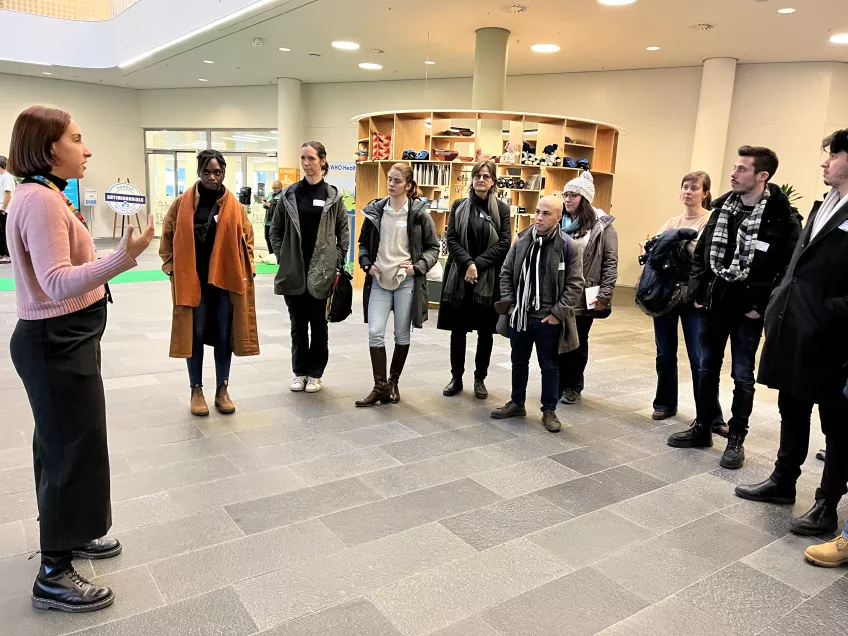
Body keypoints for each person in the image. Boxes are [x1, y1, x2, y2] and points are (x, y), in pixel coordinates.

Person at [6, 105, 154, 612]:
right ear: (49, 149)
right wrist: (124, 257)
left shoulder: (42, 195)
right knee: (68, 450)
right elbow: (55, 282)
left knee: (72, 444)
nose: (86, 148)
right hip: (55, 341)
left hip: (62, 339)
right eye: (76, 138)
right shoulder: (41, 200)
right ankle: (53, 572)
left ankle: (73, 534)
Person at [736, 130, 848, 542]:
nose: (825, 162)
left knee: (838, 423)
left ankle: (827, 504)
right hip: (794, 327)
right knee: (792, 406)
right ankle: (783, 482)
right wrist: (779, 301)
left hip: (834, 337)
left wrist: (826, 314)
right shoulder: (825, 206)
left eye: (833, 154)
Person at [667, 146, 801, 470]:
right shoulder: (723, 209)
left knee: (742, 376)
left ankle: (736, 436)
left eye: (742, 169)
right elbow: (701, 255)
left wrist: (761, 304)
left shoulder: (782, 219)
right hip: (714, 306)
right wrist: (699, 292)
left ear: (762, 176)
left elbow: (790, 269)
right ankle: (703, 426)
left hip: (749, 313)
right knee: (705, 369)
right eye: (735, 167)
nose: (734, 173)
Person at [160, 149, 259, 416]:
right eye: (207, 172)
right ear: (199, 172)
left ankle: (222, 389)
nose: (212, 177)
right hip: (193, 282)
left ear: (224, 173)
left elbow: (247, 238)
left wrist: (244, 267)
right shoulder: (182, 204)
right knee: (195, 334)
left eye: (217, 172)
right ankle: (196, 389)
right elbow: (167, 237)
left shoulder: (234, 207)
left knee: (224, 335)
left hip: (224, 283)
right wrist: (171, 268)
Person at [492, 195, 584, 433]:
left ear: (558, 218)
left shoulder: (568, 246)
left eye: (546, 214)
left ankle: (549, 409)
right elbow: (506, 273)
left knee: (549, 366)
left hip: (547, 319)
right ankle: (517, 402)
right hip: (520, 316)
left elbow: (575, 284)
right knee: (518, 362)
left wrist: (557, 314)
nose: (539, 218)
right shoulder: (522, 240)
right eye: (537, 212)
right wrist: (511, 304)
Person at [648, 171, 726, 433]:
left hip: (694, 297)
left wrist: (675, 243)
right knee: (665, 353)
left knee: (699, 357)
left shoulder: (710, 220)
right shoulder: (672, 220)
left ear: (705, 193)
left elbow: (701, 255)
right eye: (685, 187)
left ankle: (710, 416)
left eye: (694, 188)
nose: (688, 191)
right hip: (666, 294)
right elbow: (652, 249)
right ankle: (664, 403)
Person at [356, 162, 439, 407]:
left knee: (401, 333)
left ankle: (393, 382)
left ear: (409, 186)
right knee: (375, 332)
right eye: (389, 180)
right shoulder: (375, 210)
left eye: (397, 181)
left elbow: (433, 247)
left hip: (406, 281)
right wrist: (366, 264)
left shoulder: (419, 213)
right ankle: (379, 386)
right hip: (379, 280)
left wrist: (418, 266)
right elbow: (362, 244)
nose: (391, 184)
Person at [269, 141, 349, 394]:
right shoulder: (290, 194)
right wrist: (283, 257)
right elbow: (276, 229)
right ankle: (299, 372)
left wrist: (337, 261)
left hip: (322, 273)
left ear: (323, 161)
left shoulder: (333, 196)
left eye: (311, 158)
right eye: (303, 158)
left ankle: (315, 373)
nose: (306, 163)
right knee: (297, 326)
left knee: (318, 325)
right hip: (294, 271)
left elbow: (342, 232)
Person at [439, 160, 511, 399]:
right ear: (472, 179)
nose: (481, 180)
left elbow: (504, 243)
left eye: (487, 176)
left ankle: (480, 379)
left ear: (493, 182)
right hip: (460, 278)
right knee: (458, 331)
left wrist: (476, 265)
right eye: (478, 175)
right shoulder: (459, 205)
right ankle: (456, 377)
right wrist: (467, 264)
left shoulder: (501, 209)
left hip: (487, 280)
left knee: (485, 332)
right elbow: (451, 238)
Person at [557, 170, 618, 404]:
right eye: (566, 195)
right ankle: (559, 383)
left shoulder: (602, 227)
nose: (568, 199)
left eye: (574, 195)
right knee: (558, 338)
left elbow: (610, 262)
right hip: (560, 292)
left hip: (586, 292)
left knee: (578, 340)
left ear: (585, 199)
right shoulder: (558, 222)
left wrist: (605, 294)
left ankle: (574, 386)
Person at [0, 155, 15, 263]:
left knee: (4, 233)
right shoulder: (2, 177)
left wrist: (3, 209)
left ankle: (7, 255)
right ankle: (3, 254)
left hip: (5, 210)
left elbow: (8, 194)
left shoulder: (6, 177)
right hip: (3, 209)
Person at [262, 179, 283, 254]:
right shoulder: (270, 194)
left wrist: (270, 205)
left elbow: (281, 208)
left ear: (280, 187)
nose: (274, 190)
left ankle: (277, 255)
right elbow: (265, 203)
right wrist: (265, 203)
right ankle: (271, 254)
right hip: (267, 221)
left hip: (276, 222)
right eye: (273, 188)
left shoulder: (282, 196)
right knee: (267, 238)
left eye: (276, 188)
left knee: (275, 239)